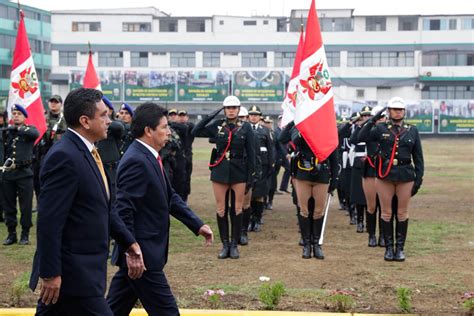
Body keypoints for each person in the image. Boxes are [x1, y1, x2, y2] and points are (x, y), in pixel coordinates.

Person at [29, 88, 144, 315]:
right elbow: (49, 222)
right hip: (73, 274)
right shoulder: (65, 157)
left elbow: (103, 207)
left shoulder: (89, 151)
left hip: (85, 272)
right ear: (85, 121)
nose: (109, 120)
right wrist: (50, 273)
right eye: (103, 115)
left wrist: (129, 242)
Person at [107, 102, 213, 316]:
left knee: (112, 310)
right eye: (164, 127)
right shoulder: (136, 160)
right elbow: (123, 210)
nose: (169, 132)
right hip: (142, 256)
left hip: (141, 254)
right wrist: (131, 250)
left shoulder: (149, 156)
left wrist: (197, 224)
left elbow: (169, 196)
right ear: (148, 131)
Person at [359, 97, 424, 261]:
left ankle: (400, 249)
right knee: (386, 213)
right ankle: (388, 248)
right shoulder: (380, 128)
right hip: (385, 176)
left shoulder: (412, 130)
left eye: (400, 109)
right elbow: (361, 136)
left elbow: (418, 157)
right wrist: (373, 119)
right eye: (394, 109)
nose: (398, 112)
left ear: (404, 112)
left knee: (402, 213)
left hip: (405, 176)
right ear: (388, 111)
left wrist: (418, 179)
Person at [192, 96, 256, 259]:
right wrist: (213, 114)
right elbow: (195, 131)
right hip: (220, 170)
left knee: (237, 208)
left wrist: (251, 177)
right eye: (228, 107)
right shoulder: (217, 125)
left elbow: (252, 153)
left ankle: (234, 245)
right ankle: (225, 244)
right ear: (224, 109)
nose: (231, 110)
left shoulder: (246, 127)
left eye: (234, 107)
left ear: (239, 108)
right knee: (221, 209)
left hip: (239, 171)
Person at [290, 124, 338, 259]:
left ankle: (316, 244)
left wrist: (335, 178)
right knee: (304, 210)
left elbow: (334, 157)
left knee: (318, 211)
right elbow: (294, 141)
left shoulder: (327, 132)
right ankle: (306, 245)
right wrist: (305, 129)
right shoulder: (300, 127)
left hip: (322, 174)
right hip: (303, 174)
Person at [2, 104, 39, 245]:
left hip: (24, 173)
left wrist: (18, 128)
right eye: (14, 113)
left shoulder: (29, 130)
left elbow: (34, 134)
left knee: (26, 206)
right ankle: (12, 233)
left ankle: (25, 233)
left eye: (19, 113)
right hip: (9, 174)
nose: (16, 116)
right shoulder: (7, 132)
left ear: (24, 117)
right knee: (9, 205)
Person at [33, 95, 67, 209]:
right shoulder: (42, 118)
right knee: (38, 181)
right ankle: (40, 203)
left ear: (60, 104)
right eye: (51, 101)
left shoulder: (65, 119)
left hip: (57, 153)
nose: (53, 104)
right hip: (41, 154)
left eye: (56, 102)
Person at [247, 106, 274, 232]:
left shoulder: (265, 131)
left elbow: (271, 149)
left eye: (256, 115)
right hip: (248, 166)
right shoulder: (244, 129)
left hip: (262, 166)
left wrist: (271, 165)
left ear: (260, 117)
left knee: (259, 194)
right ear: (248, 116)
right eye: (251, 114)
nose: (253, 117)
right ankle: (248, 220)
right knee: (249, 194)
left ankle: (257, 219)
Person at [97, 96, 125, 202]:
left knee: (112, 199)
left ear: (110, 110)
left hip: (110, 169)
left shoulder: (114, 126)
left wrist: (102, 119)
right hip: (97, 166)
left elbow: (119, 127)